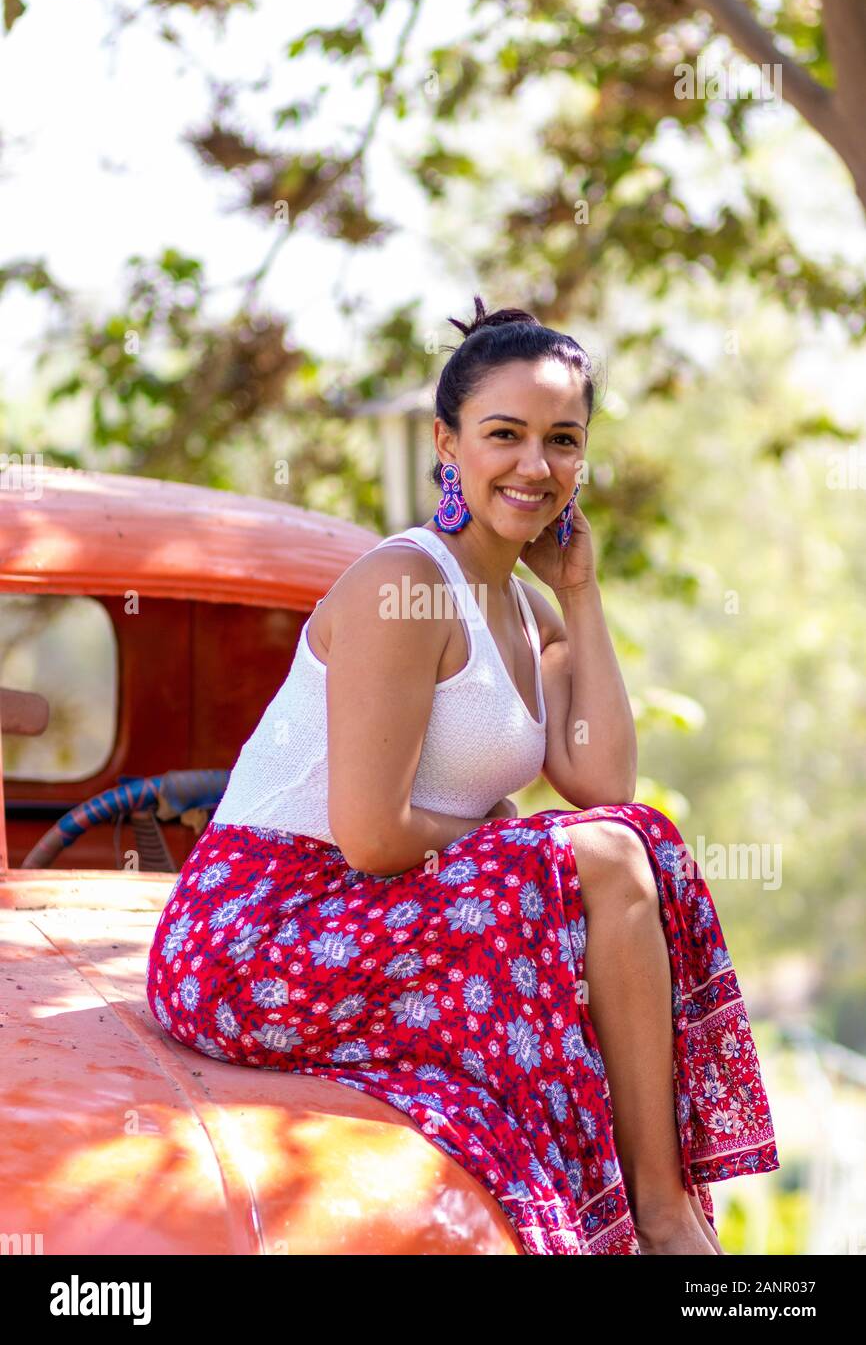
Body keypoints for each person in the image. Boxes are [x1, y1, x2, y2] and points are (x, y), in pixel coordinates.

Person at [146, 295, 780, 1255]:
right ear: (448, 444)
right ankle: (658, 1216)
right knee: (603, 859)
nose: (537, 465)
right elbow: (372, 835)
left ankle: (662, 1208)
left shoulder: (532, 611)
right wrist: (523, 852)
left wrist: (580, 588)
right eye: (505, 435)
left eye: (563, 441)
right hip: (261, 931)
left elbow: (603, 782)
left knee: (627, 839)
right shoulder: (406, 585)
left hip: (383, 913)